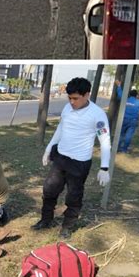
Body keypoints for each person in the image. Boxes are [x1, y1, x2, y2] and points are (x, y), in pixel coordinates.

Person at [32, 77, 111, 239]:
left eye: (76, 98)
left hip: (79, 162)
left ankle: (67, 227)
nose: (72, 102)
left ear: (87, 95)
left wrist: (104, 167)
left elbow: (105, 141)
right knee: (49, 189)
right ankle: (46, 219)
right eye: (70, 98)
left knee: (74, 196)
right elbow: (61, 128)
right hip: (61, 158)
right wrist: (49, 148)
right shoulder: (67, 108)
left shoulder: (98, 115)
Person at [115, 80, 139, 153]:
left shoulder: (125, 99)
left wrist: (119, 86)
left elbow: (120, 93)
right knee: (129, 135)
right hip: (133, 121)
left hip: (124, 119)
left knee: (121, 134)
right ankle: (124, 149)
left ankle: (118, 148)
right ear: (136, 95)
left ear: (129, 94)